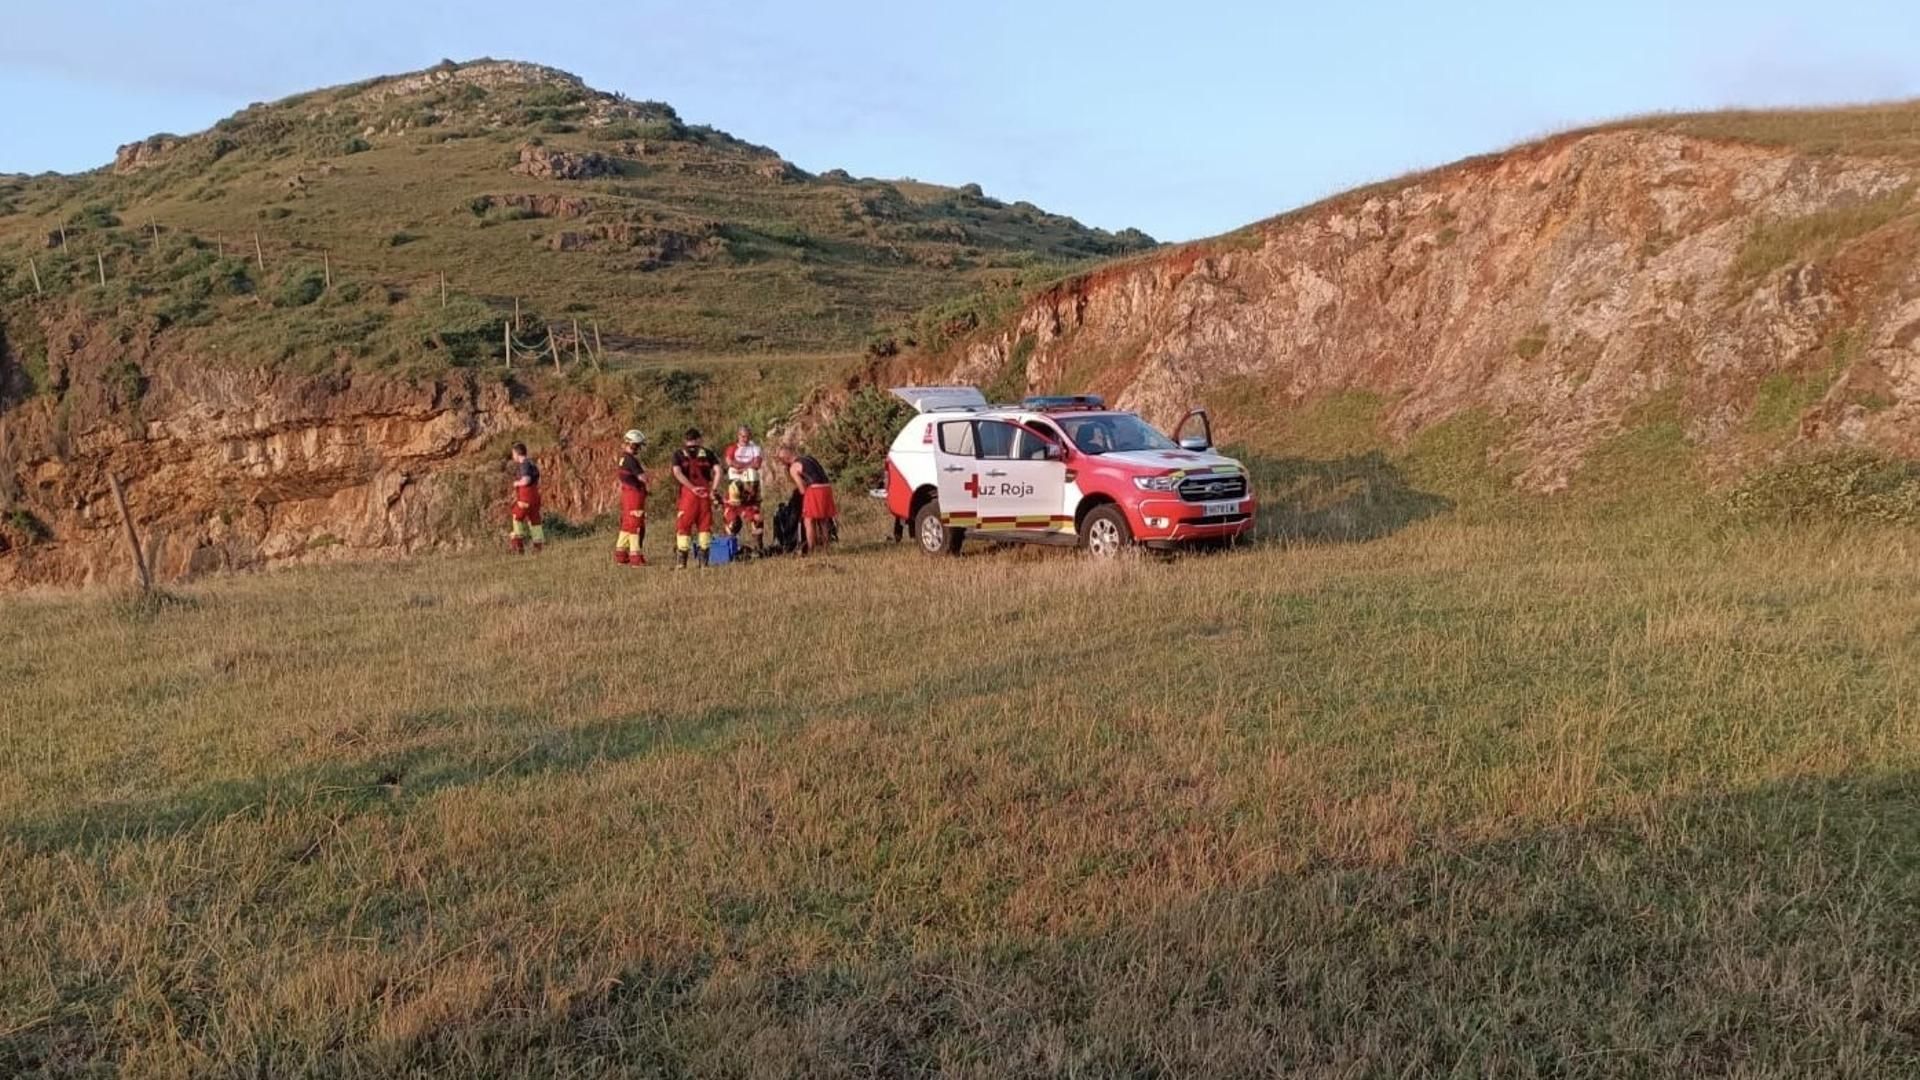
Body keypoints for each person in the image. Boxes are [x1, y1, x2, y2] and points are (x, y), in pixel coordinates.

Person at [671, 427, 722, 569]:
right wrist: (714, 490)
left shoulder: (679, 454)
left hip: (689, 496)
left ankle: (681, 563)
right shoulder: (708, 453)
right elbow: (718, 471)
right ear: (699, 439)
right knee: (704, 527)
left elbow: (677, 472)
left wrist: (691, 487)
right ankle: (704, 563)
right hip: (705, 495)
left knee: (684, 527)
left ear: (685, 440)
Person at [779, 446, 836, 555]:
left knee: (808, 520)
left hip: (814, 490)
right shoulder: (809, 458)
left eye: (781, 460)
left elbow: (802, 489)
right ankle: (826, 548)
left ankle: (811, 549)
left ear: (785, 458)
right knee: (823, 520)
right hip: (827, 488)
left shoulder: (794, 467)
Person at [722, 424, 767, 557]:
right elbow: (730, 461)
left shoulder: (755, 448)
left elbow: (757, 464)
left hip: (750, 489)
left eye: (747, 436)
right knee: (734, 523)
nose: (745, 439)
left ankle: (759, 548)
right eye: (742, 436)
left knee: (757, 518)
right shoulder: (732, 448)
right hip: (735, 489)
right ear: (738, 436)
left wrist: (742, 468)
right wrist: (747, 466)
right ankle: (730, 549)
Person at [612, 429, 649, 566]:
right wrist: (646, 477)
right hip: (634, 495)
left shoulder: (622, 458)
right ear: (633, 445)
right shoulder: (631, 460)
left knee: (626, 525)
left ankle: (621, 556)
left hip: (627, 495)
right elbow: (643, 478)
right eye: (638, 446)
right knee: (635, 525)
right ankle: (635, 558)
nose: (638, 449)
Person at [507, 443, 546, 555]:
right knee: (535, 521)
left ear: (517, 453)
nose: (512, 456)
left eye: (513, 454)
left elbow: (526, 480)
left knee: (517, 517)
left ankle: (518, 546)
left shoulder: (524, 464)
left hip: (526, 498)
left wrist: (516, 483)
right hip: (535, 497)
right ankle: (538, 547)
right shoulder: (532, 463)